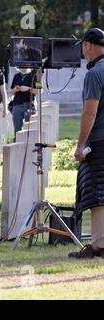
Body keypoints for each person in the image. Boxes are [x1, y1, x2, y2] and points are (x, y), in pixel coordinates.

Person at [70, 27, 104, 259]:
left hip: (100, 140)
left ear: (88, 46)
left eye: (82, 46)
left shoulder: (95, 74)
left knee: (96, 192)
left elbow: (89, 112)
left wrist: (81, 145)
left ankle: (99, 245)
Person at [9, 68, 37, 140]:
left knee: (29, 129)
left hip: (29, 105)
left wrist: (28, 89)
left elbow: (40, 91)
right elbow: (11, 92)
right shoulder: (16, 76)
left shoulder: (35, 76)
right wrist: (15, 90)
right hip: (16, 105)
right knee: (17, 131)